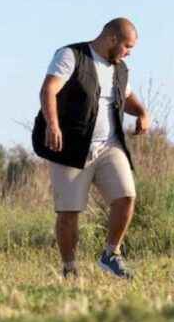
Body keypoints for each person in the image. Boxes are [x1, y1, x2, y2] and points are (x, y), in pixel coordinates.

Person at [34, 17, 150, 280]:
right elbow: (49, 89)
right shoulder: (71, 55)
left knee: (126, 196)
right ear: (112, 39)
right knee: (69, 211)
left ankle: (111, 254)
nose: (129, 53)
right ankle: (70, 268)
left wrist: (142, 112)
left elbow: (127, 96)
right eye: (127, 46)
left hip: (110, 146)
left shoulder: (119, 67)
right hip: (71, 147)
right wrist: (53, 125)